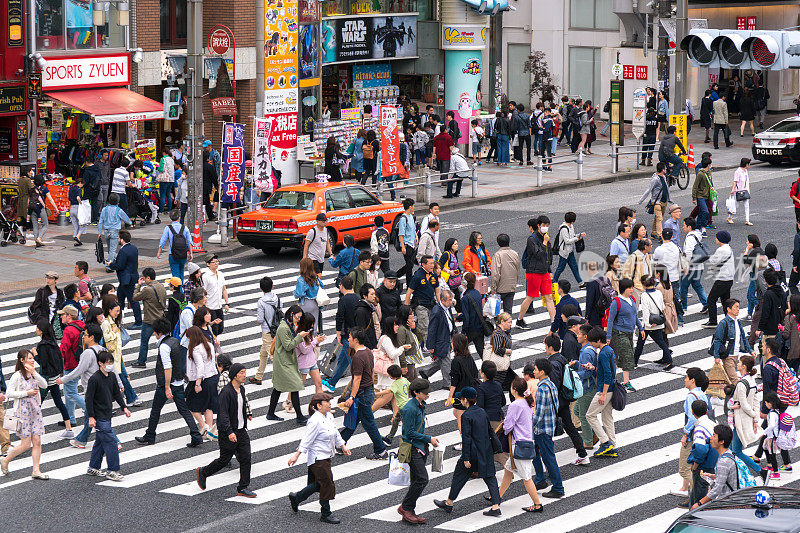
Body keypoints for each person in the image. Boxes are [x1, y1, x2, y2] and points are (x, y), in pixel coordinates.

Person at [433, 386, 502, 517]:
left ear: (465, 400)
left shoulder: (466, 416)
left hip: (472, 453)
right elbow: (490, 431)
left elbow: (467, 438)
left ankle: (449, 503)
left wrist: (466, 458)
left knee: (459, 476)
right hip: (485, 451)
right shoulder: (482, 411)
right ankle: (495, 506)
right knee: (490, 477)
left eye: (461, 399)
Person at [135, 318, 203, 447]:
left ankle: (150, 435)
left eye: (155, 332)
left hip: (167, 384)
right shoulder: (175, 341)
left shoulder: (164, 346)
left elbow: (167, 368)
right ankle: (196, 435)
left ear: (159, 332)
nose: (154, 334)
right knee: (184, 410)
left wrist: (166, 387)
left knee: (155, 410)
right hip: (179, 381)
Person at [196, 363, 257, 498]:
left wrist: (247, 413)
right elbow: (223, 414)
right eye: (241, 372)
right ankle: (203, 472)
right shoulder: (226, 392)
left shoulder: (241, 389)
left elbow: (242, 404)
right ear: (235, 375)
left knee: (246, 458)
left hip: (241, 430)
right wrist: (229, 432)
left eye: (245, 372)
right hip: (228, 432)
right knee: (224, 460)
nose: (244, 375)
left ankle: (243, 487)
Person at [288, 392, 350, 524]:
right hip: (317, 458)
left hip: (327, 455)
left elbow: (335, 432)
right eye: (327, 402)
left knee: (318, 485)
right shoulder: (314, 421)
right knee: (326, 483)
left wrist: (343, 446)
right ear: (318, 406)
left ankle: (297, 497)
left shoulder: (329, 416)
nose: (329, 404)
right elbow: (307, 439)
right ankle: (326, 513)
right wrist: (296, 455)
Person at [78, 350, 132, 481]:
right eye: (107, 362)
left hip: (107, 413)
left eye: (111, 362)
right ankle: (112, 470)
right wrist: (91, 417)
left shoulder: (112, 376)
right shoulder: (94, 379)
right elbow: (88, 399)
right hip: (99, 416)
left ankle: (93, 467)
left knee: (100, 442)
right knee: (111, 442)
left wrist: (124, 407)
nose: (110, 364)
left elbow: (117, 393)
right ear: (100, 363)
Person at [338, 327, 388, 460]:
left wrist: (352, 397)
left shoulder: (358, 357)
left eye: (349, 337)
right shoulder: (367, 352)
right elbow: (371, 372)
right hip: (368, 390)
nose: (348, 339)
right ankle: (339, 443)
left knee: (368, 423)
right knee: (355, 419)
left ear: (355, 340)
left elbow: (357, 379)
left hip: (362, 393)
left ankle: (381, 450)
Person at [497, 376, 544, 512]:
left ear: (514, 389)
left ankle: (537, 504)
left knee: (527, 478)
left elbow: (508, 427)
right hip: (527, 442)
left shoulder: (515, 405)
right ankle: (497, 497)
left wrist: (504, 426)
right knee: (508, 471)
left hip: (519, 445)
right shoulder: (526, 403)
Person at [1, 350, 49, 479]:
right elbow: (9, 394)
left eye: (33, 358)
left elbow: (44, 385)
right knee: (26, 444)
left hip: (35, 410)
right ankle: (6, 460)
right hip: (22, 412)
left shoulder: (33, 374)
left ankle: (36, 470)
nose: (33, 360)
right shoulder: (17, 376)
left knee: (37, 441)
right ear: (22, 360)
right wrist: (26, 393)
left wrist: (34, 373)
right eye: (30, 358)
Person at [397, 378, 440, 525]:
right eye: (425, 393)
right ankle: (405, 507)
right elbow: (408, 433)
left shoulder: (420, 404)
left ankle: (409, 510)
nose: (428, 395)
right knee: (422, 479)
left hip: (420, 447)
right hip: (412, 448)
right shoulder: (410, 409)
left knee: (417, 479)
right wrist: (429, 438)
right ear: (416, 392)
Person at [527, 358, 565, 498]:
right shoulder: (550, 384)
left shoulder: (542, 389)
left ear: (542, 372)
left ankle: (558, 487)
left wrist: (529, 427)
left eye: (535, 369)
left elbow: (539, 413)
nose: (534, 371)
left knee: (548, 458)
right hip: (548, 426)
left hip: (542, 429)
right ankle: (540, 479)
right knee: (535, 453)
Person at [266, 304, 309, 423]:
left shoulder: (288, 325)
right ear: (291, 315)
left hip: (285, 361)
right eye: (297, 317)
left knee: (278, 387)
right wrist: (299, 337)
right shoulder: (283, 328)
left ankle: (270, 413)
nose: (298, 319)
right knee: (294, 385)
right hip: (284, 362)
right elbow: (288, 346)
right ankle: (299, 416)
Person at [101, 297, 141, 406]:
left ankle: (130, 398)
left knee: (122, 377)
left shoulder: (113, 321)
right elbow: (105, 338)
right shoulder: (106, 323)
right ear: (109, 310)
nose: (118, 313)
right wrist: (114, 332)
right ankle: (131, 398)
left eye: (119, 311)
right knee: (121, 378)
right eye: (116, 311)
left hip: (117, 355)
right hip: (111, 356)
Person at [606, 278, 644, 392]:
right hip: (619, 333)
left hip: (629, 332)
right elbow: (610, 320)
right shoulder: (616, 302)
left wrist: (640, 328)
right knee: (627, 355)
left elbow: (635, 315)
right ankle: (626, 382)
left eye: (632, 287)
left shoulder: (631, 299)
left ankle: (614, 379)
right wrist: (608, 336)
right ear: (623, 289)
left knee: (623, 356)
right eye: (629, 288)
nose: (632, 290)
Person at [727, 356, 762, 476]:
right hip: (745, 419)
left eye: (739, 362)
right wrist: (755, 418)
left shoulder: (742, 384)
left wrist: (753, 415)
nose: (737, 364)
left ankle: (759, 470)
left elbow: (743, 404)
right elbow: (756, 401)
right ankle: (734, 473)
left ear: (744, 366)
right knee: (731, 450)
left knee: (736, 451)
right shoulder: (752, 380)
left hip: (740, 420)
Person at [586, 327, 618, 457]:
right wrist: (594, 368)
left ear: (598, 340)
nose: (591, 344)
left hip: (605, 389)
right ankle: (612, 446)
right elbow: (608, 369)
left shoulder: (603, 353)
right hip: (611, 388)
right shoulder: (609, 350)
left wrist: (603, 394)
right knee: (607, 418)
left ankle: (605, 442)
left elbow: (608, 374)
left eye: (592, 342)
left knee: (590, 415)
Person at [518, 216, 555, 328]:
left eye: (547, 225)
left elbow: (548, 255)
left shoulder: (546, 237)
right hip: (534, 272)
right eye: (543, 225)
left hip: (544, 271)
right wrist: (544, 242)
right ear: (538, 225)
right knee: (530, 297)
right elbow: (538, 254)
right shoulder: (532, 239)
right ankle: (519, 319)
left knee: (549, 297)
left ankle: (554, 322)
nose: (545, 227)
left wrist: (549, 270)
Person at [691, 424, 738, 509]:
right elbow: (727, 476)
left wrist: (699, 504)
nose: (710, 438)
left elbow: (717, 489)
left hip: (727, 503)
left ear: (721, 441)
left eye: (714, 436)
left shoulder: (723, 461)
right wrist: (712, 476)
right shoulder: (729, 454)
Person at [633, 275, 673, 369]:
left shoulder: (644, 295)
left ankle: (634, 362)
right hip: (658, 321)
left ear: (643, 285)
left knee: (640, 343)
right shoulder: (658, 292)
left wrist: (647, 325)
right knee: (661, 343)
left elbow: (645, 311)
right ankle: (670, 361)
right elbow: (662, 307)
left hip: (649, 324)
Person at [420, 290, 456, 388]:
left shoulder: (446, 308)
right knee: (446, 361)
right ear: (443, 300)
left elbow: (450, 321)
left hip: (446, 338)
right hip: (441, 340)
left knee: (441, 360)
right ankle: (447, 383)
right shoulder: (436, 311)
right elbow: (431, 329)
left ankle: (426, 372)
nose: (451, 302)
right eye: (449, 300)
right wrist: (430, 346)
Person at [685, 399, 719, 507]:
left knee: (698, 497)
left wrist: (695, 465)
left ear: (693, 413)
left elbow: (700, 450)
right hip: (714, 462)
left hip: (703, 466)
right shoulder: (713, 423)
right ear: (707, 410)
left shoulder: (699, 428)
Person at [131, 267, 167, 368]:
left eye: (144, 278)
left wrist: (138, 285)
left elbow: (135, 297)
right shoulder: (161, 286)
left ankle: (141, 361)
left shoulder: (147, 289)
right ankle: (164, 359)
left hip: (149, 320)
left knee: (144, 342)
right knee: (163, 340)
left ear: (148, 278)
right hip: (160, 318)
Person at [446, 333, 479, 441]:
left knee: (461, 419)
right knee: (457, 413)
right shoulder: (469, 357)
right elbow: (475, 374)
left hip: (460, 394)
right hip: (470, 392)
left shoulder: (456, 361)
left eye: (452, 342)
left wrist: (450, 396)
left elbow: (454, 381)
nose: (451, 344)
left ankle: (465, 444)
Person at [249, 276, 281, 386]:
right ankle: (258, 377)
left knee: (272, 355)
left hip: (267, 331)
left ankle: (283, 378)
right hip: (276, 328)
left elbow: (260, 320)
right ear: (272, 286)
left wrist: (258, 319)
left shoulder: (261, 302)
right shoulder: (277, 298)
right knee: (263, 353)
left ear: (260, 288)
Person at [108, 229, 143, 327]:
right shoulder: (133, 248)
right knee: (120, 298)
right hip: (131, 276)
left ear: (122, 239)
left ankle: (138, 321)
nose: (118, 240)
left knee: (132, 300)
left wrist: (111, 265)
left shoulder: (123, 251)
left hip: (126, 279)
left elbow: (120, 266)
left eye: (119, 238)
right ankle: (118, 319)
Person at [703, 231, 735, 328]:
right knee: (725, 301)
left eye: (717, 237)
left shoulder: (721, 250)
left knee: (711, 299)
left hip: (722, 279)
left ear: (720, 239)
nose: (715, 239)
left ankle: (713, 321)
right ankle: (729, 319)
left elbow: (713, 261)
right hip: (729, 279)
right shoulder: (728, 248)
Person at [404, 255, 440, 343]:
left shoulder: (433, 275)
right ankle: (429, 347)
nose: (433, 265)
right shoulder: (417, 276)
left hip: (431, 304)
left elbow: (437, 291)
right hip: (420, 305)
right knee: (425, 327)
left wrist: (440, 304)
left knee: (434, 325)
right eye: (430, 263)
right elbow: (409, 292)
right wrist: (406, 307)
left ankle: (425, 343)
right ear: (423, 264)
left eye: (433, 263)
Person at [574, 324, 598, 449]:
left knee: (583, 415)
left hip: (587, 387)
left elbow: (587, 372)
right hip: (586, 386)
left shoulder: (587, 351)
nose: (577, 336)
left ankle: (588, 442)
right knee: (577, 410)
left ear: (585, 336)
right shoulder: (586, 349)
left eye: (579, 334)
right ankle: (594, 434)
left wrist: (574, 374)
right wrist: (577, 363)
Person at [681, 217, 708, 312]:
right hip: (699, 266)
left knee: (683, 287)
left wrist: (686, 266)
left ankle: (683, 307)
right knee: (697, 285)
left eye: (684, 225)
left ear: (689, 227)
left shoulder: (690, 238)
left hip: (691, 267)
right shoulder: (698, 235)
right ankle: (706, 303)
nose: (683, 227)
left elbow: (688, 252)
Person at [98, 193, 132, 267]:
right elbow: (126, 219)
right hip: (115, 231)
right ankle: (109, 266)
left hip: (106, 231)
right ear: (118, 202)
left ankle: (112, 261)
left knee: (110, 249)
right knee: (112, 250)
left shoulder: (104, 209)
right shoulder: (118, 210)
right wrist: (130, 222)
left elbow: (100, 221)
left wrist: (99, 232)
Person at [379, 365, 411, 444]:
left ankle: (406, 441)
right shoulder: (404, 379)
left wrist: (376, 394)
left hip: (402, 407)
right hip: (407, 405)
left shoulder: (395, 384)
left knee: (405, 425)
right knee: (396, 421)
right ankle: (389, 438)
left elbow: (388, 391)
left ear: (392, 376)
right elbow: (411, 386)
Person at [639, 162, 672, 239]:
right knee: (659, 218)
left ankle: (653, 233)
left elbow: (667, 188)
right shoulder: (655, 179)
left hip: (664, 201)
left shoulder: (663, 177)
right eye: (665, 168)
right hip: (657, 202)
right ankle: (661, 235)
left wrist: (669, 199)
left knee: (658, 218)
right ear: (663, 169)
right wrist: (641, 201)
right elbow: (648, 190)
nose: (666, 169)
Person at [157, 211, 193, 281]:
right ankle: (181, 289)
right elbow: (190, 242)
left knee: (175, 275)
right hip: (183, 254)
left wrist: (159, 252)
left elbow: (162, 241)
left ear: (170, 218)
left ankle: (178, 291)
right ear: (179, 218)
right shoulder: (184, 228)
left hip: (173, 254)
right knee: (181, 273)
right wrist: (191, 253)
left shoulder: (168, 228)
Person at [552, 212, 586, 285]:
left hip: (570, 251)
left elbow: (572, 236)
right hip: (564, 252)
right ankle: (554, 281)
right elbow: (567, 241)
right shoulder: (564, 229)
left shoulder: (571, 226)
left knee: (574, 267)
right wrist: (576, 239)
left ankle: (581, 283)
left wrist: (579, 235)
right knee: (560, 268)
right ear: (573, 220)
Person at [201, 254, 229, 336]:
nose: (216, 263)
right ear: (208, 264)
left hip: (219, 306)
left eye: (217, 261)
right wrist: (205, 307)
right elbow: (203, 292)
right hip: (210, 307)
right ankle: (213, 345)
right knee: (214, 330)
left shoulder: (220, 274)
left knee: (220, 329)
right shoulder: (206, 276)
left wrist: (227, 303)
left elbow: (224, 289)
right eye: (214, 262)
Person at [29, 174, 57, 248]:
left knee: (35, 226)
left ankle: (36, 241)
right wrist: (56, 208)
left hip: (32, 209)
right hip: (40, 208)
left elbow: (28, 200)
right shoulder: (44, 189)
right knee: (45, 224)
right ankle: (39, 238)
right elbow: (50, 199)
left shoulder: (32, 189)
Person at [396, 199, 418, 286]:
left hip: (412, 244)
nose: (414, 207)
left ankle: (396, 275)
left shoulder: (411, 216)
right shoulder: (403, 218)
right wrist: (403, 247)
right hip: (407, 244)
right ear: (410, 207)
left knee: (410, 264)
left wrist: (416, 236)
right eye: (413, 206)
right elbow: (401, 234)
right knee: (409, 265)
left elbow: (413, 229)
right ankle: (409, 284)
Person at [727, 158, 752, 226]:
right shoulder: (738, 171)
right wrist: (733, 190)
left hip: (745, 190)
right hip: (738, 191)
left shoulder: (745, 171)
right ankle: (730, 217)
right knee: (736, 205)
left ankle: (747, 220)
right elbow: (735, 181)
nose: (749, 165)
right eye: (748, 164)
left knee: (746, 205)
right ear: (746, 164)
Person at [692, 159, 713, 231]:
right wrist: (694, 198)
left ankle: (697, 228)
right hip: (700, 196)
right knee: (705, 211)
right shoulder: (700, 174)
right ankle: (703, 227)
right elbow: (695, 186)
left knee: (701, 212)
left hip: (707, 195)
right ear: (708, 165)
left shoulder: (709, 172)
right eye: (710, 164)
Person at [69, 176, 88, 246]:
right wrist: (81, 203)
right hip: (78, 208)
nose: (82, 186)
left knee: (75, 225)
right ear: (80, 183)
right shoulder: (79, 189)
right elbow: (78, 197)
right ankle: (78, 236)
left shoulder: (70, 189)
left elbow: (70, 200)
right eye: (82, 184)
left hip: (72, 208)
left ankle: (76, 240)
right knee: (83, 223)